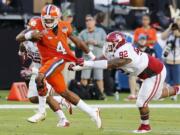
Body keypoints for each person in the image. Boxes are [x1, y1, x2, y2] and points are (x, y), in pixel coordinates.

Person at [71, 31, 180, 133]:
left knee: (141, 102)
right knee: (156, 96)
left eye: (110, 43)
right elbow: (99, 61)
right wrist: (79, 67)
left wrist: (86, 63)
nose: (108, 45)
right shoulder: (113, 50)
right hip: (145, 74)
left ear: (118, 43)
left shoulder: (125, 51)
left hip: (155, 72)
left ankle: (145, 126)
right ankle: (178, 89)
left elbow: (111, 64)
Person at [15, 4, 101, 129]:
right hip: (46, 63)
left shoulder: (64, 26)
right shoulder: (35, 25)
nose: (48, 22)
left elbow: (78, 42)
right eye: (46, 20)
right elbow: (19, 38)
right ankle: (92, 112)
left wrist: (92, 57)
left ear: (57, 18)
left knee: (40, 77)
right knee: (64, 92)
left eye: (51, 20)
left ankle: (41, 112)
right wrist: (29, 36)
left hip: (59, 58)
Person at [17, 39, 72, 127]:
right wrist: (22, 53)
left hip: (46, 72)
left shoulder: (48, 42)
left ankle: (63, 119)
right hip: (36, 72)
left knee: (46, 96)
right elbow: (22, 50)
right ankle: (60, 100)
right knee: (32, 98)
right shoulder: (26, 42)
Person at [79, 14, 107, 99]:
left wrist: (96, 42)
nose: (88, 22)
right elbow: (78, 44)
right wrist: (85, 43)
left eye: (90, 20)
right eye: (86, 20)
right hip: (86, 58)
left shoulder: (101, 31)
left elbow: (106, 43)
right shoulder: (83, 33)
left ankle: (101, 95)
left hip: (98, 58)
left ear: (94, 21)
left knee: (99, 78)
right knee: (84, 77)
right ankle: (84, 95)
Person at [162, 23, 180, 101]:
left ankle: (174, 94)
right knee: (165, 79)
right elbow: (162, 37)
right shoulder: (169, 35)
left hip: (177, 61)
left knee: (177, 80)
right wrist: (170, 28)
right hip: (167, 60)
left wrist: (178, 33)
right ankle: (163, 94)